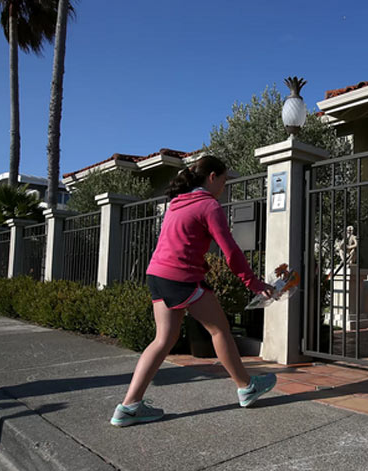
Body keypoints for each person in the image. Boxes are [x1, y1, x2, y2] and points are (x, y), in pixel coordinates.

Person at [111, 155, 276, 427]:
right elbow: (231, 252)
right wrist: (253, 283)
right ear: (212, 177)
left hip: (157, 274)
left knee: (163, 339)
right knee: (219, 330)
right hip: (182, 278)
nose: (224, 188)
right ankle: (246, 387)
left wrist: (199, 263)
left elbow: (176, 241)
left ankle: (128, 406)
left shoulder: (177, 203)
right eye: (223, 181)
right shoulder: (208, 205)